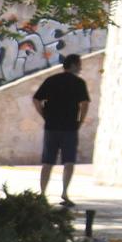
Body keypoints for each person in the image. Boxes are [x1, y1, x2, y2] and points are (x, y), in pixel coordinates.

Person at [34, 54, 90, 206]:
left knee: (47, 162)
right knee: (69, 161)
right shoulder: (78, 83)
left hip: (51, 126)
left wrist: (44, 115)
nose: (80, 67)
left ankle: (43, 193)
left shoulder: (52, 80)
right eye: (79, 64)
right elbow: (84, 103)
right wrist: (80, 121)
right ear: (73, 65)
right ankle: (65, 193)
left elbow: (36, 99)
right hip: (70, 127)